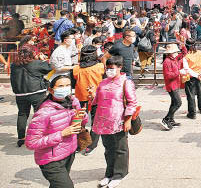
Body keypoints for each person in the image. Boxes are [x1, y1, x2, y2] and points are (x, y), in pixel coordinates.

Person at [25, 75, 87, 188]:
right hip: (51, 160)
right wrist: (62, 134)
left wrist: (82, 114)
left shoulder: (73, 102)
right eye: (61, 86)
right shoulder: (44, 112)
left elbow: (82, 122)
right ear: (50, 89)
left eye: (68, 85)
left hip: (69, 153)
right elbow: (31, 143)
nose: (65, 88)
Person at [91, 55, 138, 188]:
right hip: (103, 120)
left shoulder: (126, 82)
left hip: (119, 120)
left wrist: (128, 119)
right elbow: (96, 100)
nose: (109, 71)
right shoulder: (103, 82)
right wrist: (91, 96)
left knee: (120, 149)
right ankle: (109, 173)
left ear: (120, 68)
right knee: (108, 149)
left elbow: (132, 102)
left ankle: (119, 174)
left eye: (112, 68)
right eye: (107, 68)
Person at [11, 44, 53, 147]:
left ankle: (21, 138)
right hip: (36, 92)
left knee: (22, 114)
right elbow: (50, 68)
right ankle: (38, 135)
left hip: (20, 93)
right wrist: (42, 59)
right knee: (39, 114)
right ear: (32, 54)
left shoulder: (14, 65)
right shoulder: (36, 63)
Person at [72, 45, 105, 155]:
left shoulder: (76, 69)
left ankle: (79, 143)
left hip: (81, 98)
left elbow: (73, 83)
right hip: (97, 98)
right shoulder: (100, 67)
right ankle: (91, 145)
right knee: (96, 122)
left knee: (79, 121)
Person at [161, 43, 184, 130]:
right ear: (171, 53)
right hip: (171, 86)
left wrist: (183, 45)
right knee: (178, 103)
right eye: (175, 52)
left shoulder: (174, 59)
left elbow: (183, 53)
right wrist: (179, 72)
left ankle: (171, 120)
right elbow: (167, 75)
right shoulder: (167, 61)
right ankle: (166, 118)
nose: (177, 53)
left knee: (174, 103)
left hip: (175, 84)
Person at [182, 38, 201, 118]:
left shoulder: (186, 56)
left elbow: (187, 69)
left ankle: (192, 113)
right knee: (200, 92)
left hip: (191, 76)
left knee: (191, 95)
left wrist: (196, 75)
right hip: (199, 75)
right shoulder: (200, 53)